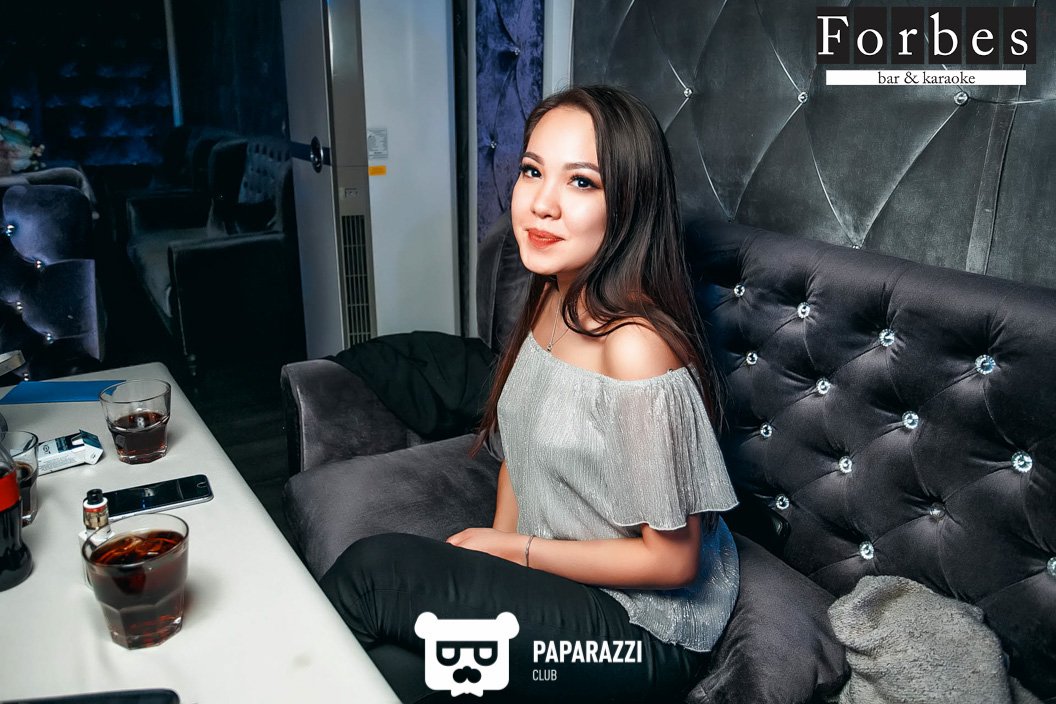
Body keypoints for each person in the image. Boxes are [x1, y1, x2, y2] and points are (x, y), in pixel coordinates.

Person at [321, 85, 739, 703]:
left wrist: (513, 550)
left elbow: (672, 563)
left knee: (373, 574)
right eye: (532, 171)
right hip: (558, 586)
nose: (542, 203)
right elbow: (520, 448)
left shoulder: (635, 347)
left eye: (582, 182)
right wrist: (489, 569)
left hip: (641, 631)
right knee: (386, 670)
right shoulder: (551, 293)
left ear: (630, 205)